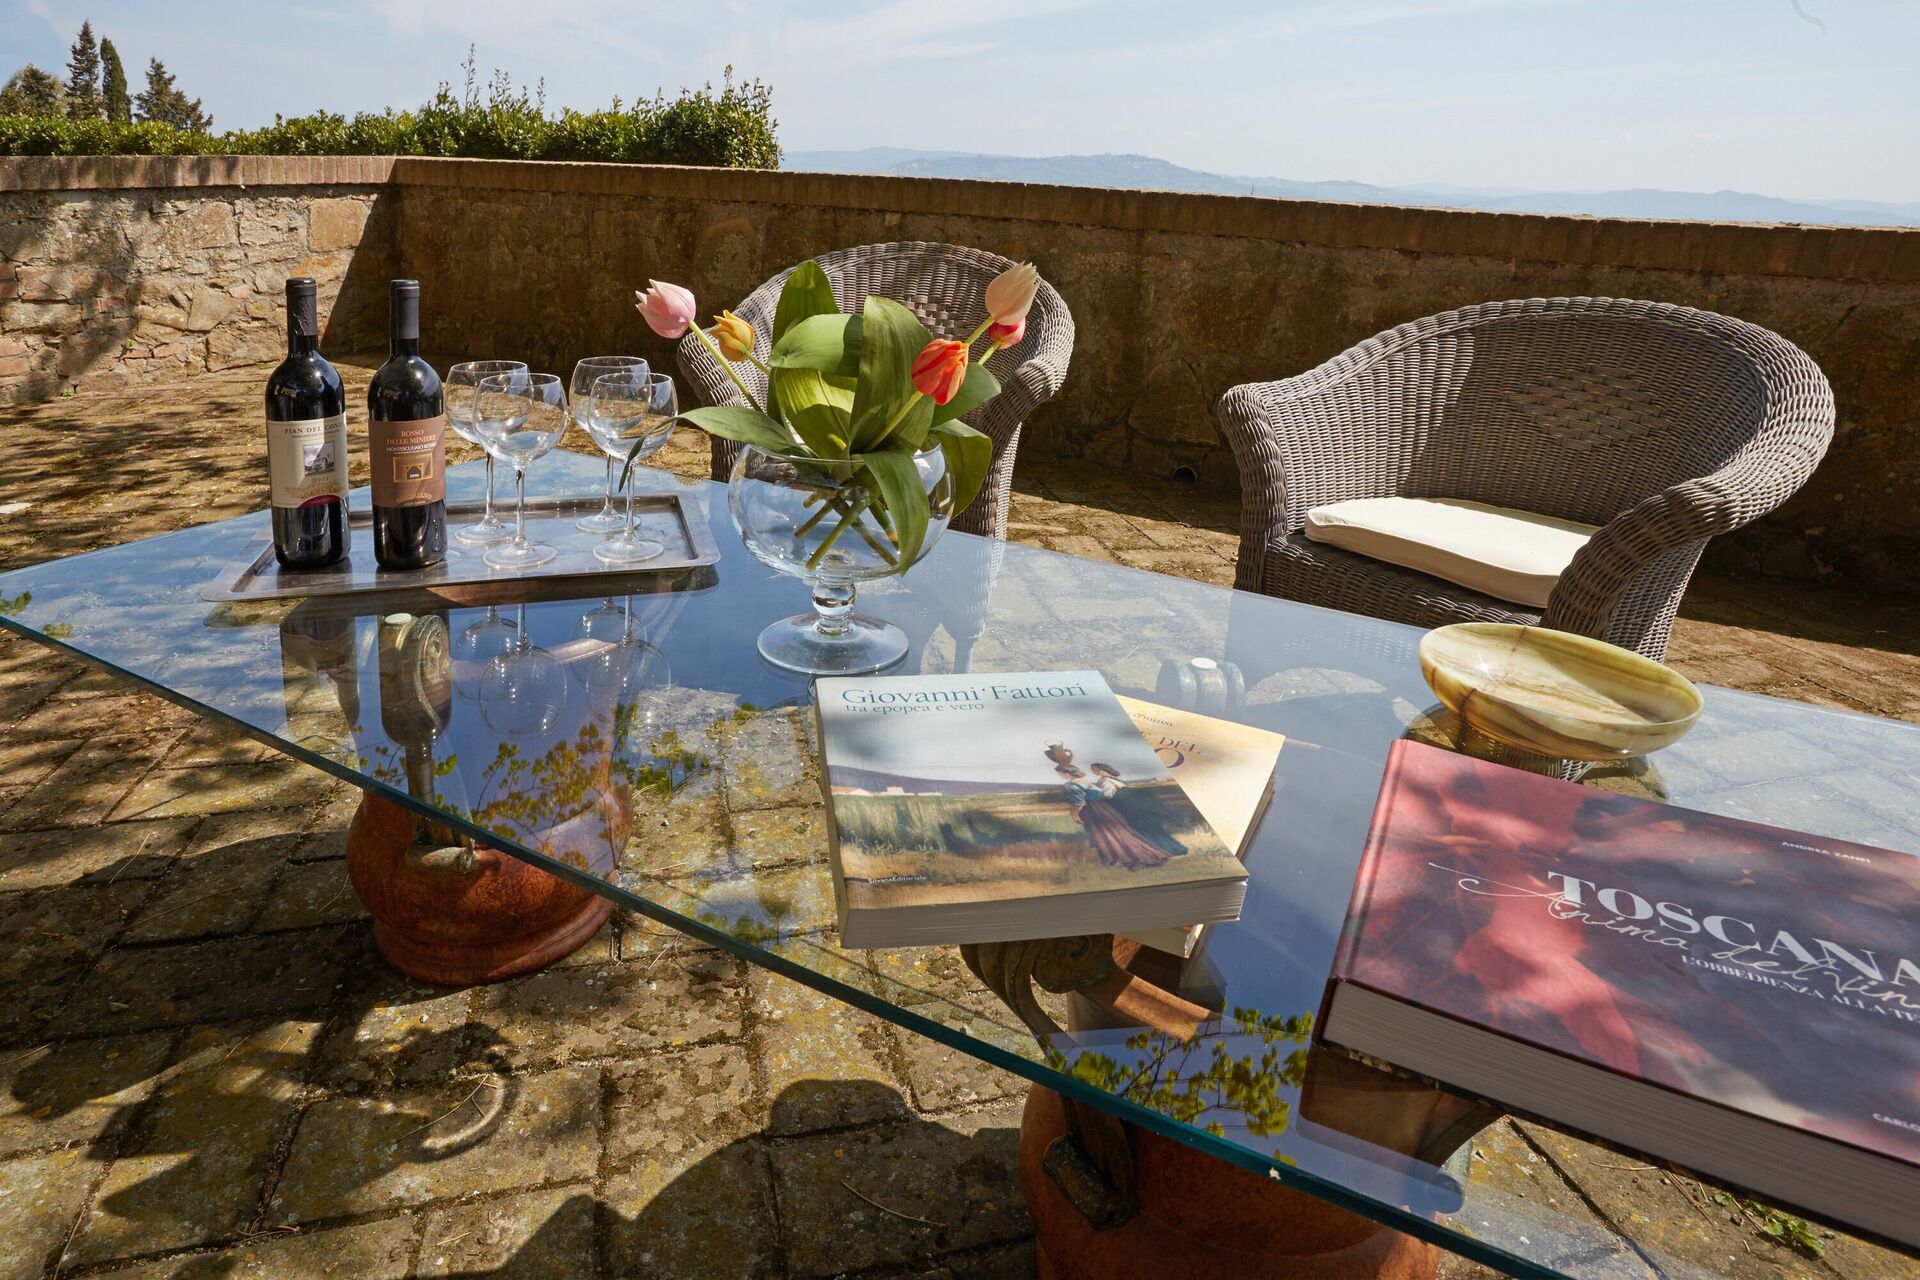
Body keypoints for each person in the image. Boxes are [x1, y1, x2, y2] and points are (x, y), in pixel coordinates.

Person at [1054, 757, 1174, 870]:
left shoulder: (1070, 785)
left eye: (1059, 773)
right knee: (1118, 832)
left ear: (1066, 773)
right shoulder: (1084, 781)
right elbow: (1100, 794)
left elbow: (1078, 803)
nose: (1059, 776)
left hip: (1091, 810)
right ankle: (1129, 856)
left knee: (1102, 834)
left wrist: (1074, 815)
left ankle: (1122, 858)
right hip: (1104, 808)